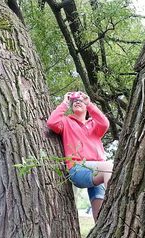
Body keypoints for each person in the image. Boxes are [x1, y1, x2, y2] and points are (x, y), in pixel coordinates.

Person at [47, 91, 113, 221]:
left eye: (81, 101)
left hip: (98, 172)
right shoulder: (66, 122)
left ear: (87, 108)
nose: (77, 101)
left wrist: (90, 103)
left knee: (99, 218)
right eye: (74, 101)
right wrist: (65, 103)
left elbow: (105, 123)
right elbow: (52, 123)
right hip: (78, 169)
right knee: (109, 166)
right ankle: (117, 200)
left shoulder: (95, 125)